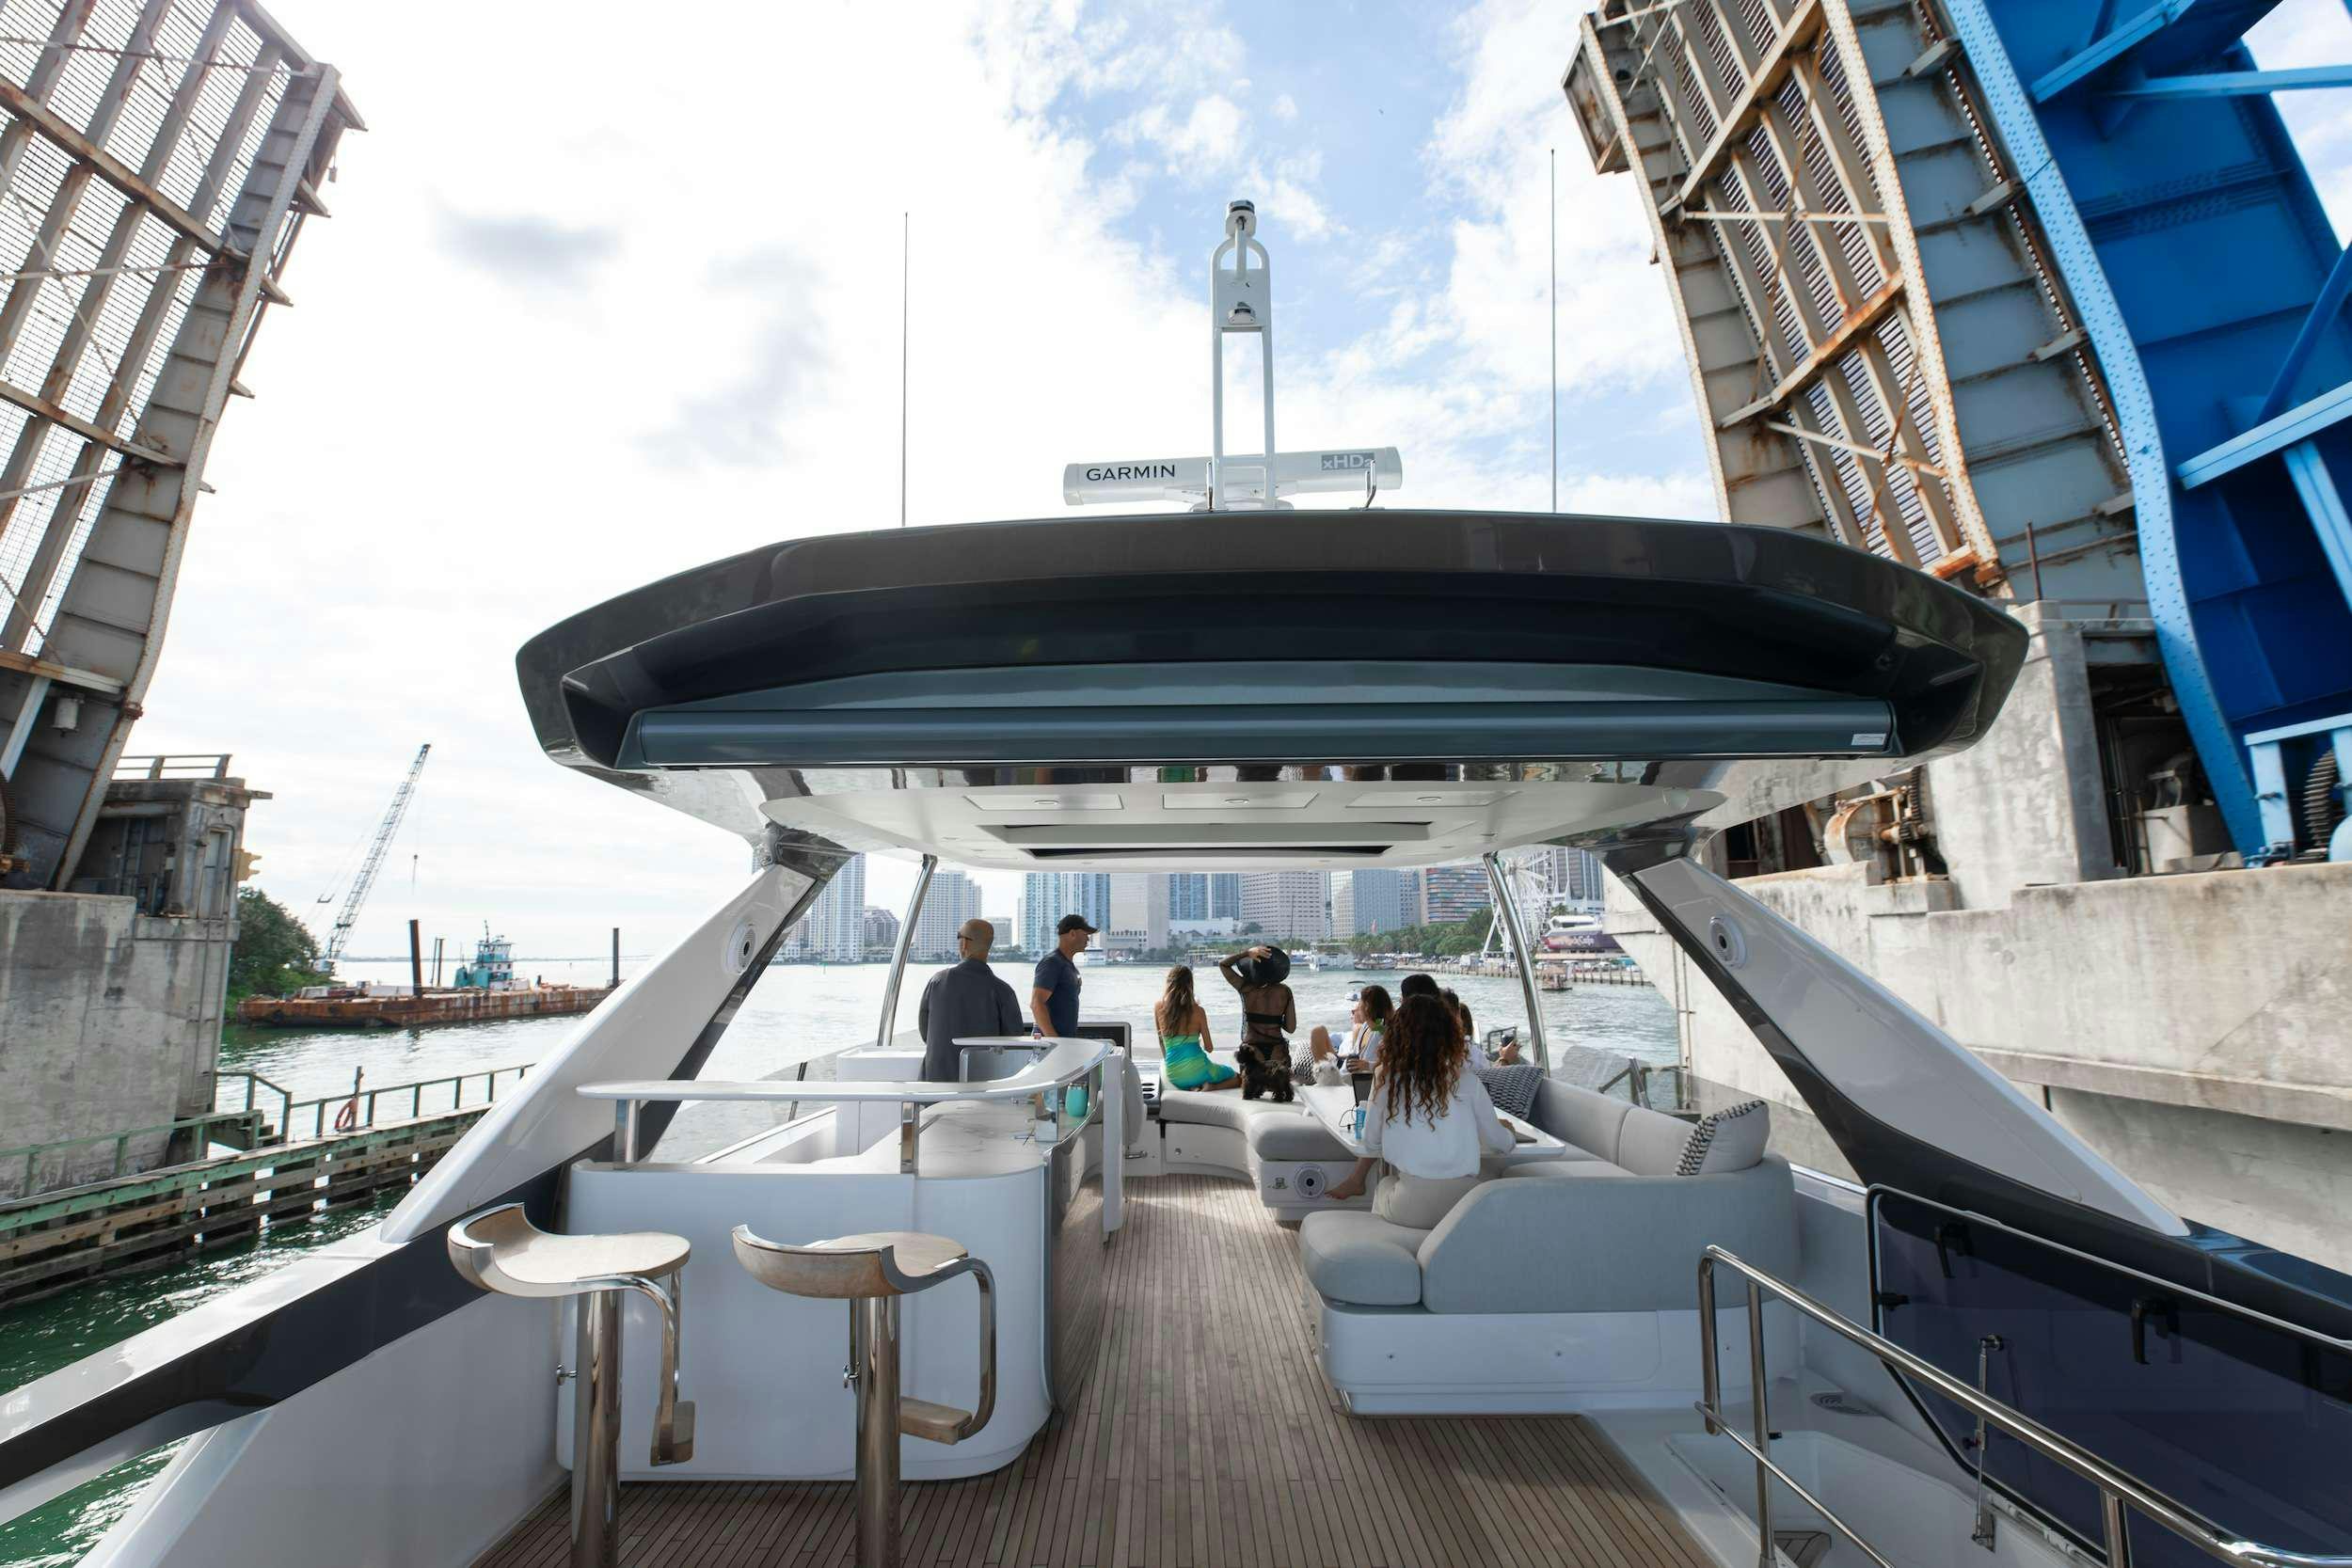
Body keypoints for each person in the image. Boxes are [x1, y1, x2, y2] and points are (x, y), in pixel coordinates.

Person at [1324, 994, 1515, 1227]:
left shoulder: (1387, 1080)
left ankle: (1388, 1246)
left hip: (1410, 1206)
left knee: (1384, 1184)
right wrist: (1508, 1131)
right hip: (1465, 1207)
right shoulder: (1469, 1083)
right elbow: (1501, 1144)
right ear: (1449, 1036)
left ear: (1397, 1036)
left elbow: (1371, 1143)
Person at [915, 919, 1023, 1082]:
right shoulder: (1004, 991)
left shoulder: (937, 981)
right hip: (982, 1092)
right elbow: (1014, 1046)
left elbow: (925, 1034)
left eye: (959, 936)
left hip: (934, 1090)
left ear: (964, 943)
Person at [1218, 943, 1298, 1101]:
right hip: (1277, 1052)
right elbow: (1291, 1027)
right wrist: (1274, 1019)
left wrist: (1246, 953)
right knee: (1280, 1086)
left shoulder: (1246, 988)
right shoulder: (1284, 991)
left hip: (1252, 1052)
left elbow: (1223, 964)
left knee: (1252, 1088)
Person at [1154, 965, 1238, 1091]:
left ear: (1169, 983)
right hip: (1200, 1070)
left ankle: (1193, 1087)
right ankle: (1211, 1087)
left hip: (1175, 1075)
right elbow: (1209, 1048)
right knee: (1238, 1077)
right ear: (1190, 984)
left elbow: (1161, 1041)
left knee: (1190, 1077)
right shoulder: (1198, 1011)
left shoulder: (1159, 1007)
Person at [1030, 912, 1096, 1037]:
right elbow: (1036, 1003)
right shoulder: (1052, 963)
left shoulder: (1069, 966)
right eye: (1085, 934)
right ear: (1072, 934)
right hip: (1050, 1044)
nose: (1088, 939)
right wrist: (1055, 1041)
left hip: (1064, 1041)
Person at [1308, 984, 1391, 1075]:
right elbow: (1355, 1054)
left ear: (1367, 1007)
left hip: (1353, 1079)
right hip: (1345, 1069)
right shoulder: (1366, 1026)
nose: (1358, 1007)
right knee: (1318, 1031)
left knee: (1317, 1032)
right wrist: (1339, 1057)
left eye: (1360, 1003)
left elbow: (1393, 1065)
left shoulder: (1383, 1032)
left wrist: (1368, 1066)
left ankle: (1325, 1079)